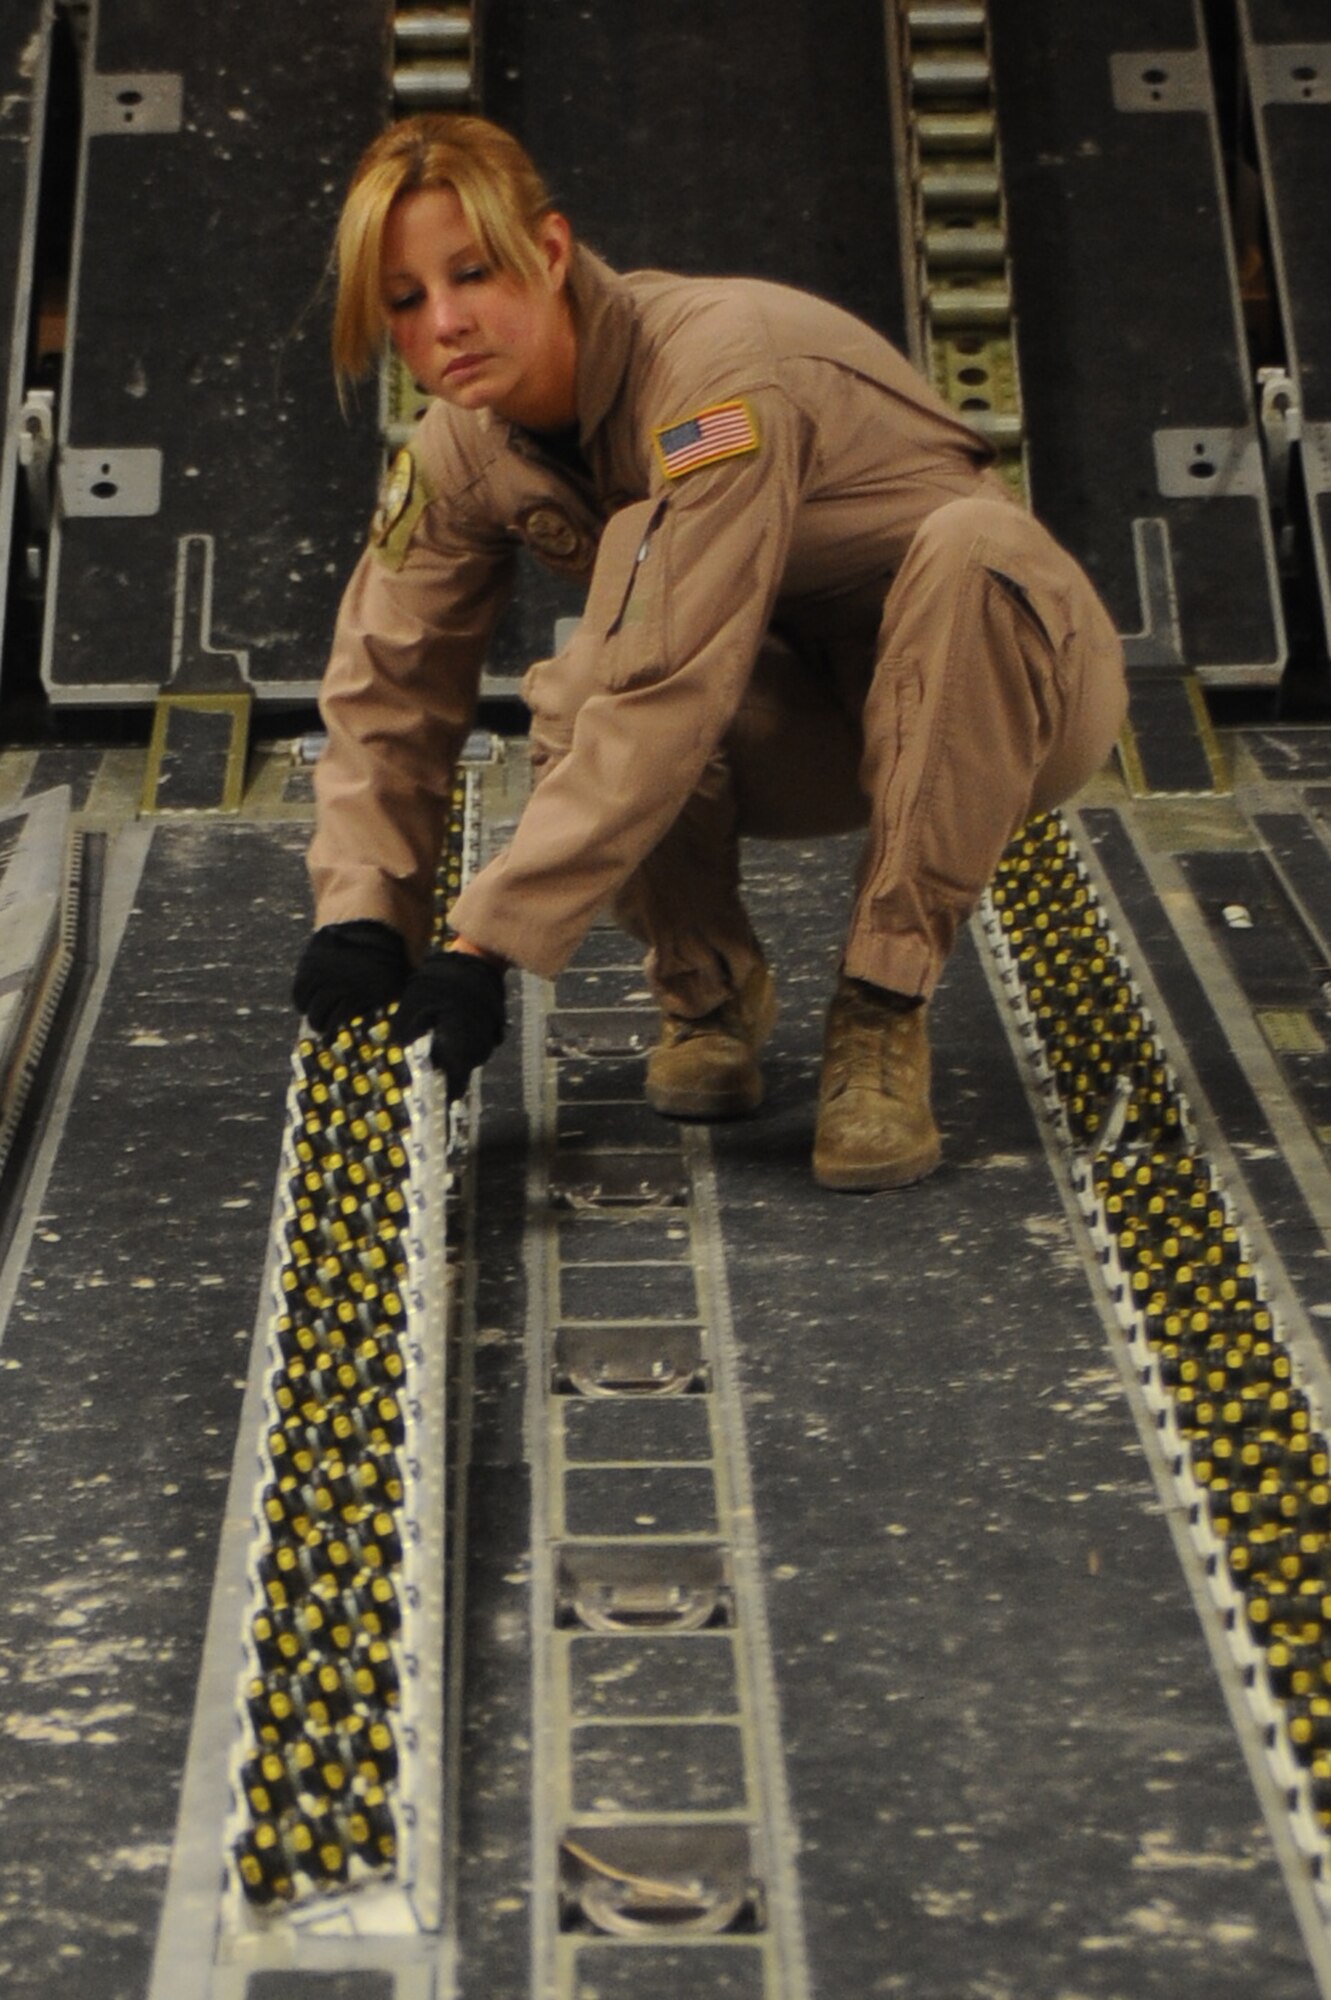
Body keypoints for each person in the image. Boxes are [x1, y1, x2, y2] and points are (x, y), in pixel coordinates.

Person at [293, 111, 1127, 1191]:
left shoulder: (718, 379)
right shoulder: (463, 445)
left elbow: (671, 682)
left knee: (967, 551)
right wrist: (363, 916)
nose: (445, 322)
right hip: (817, 719)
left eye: (473, 274)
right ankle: (707, 990)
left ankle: (882, 1009)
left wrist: (476, 946)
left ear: (548, 252)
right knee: (578, 683)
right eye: (404, 300)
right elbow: (386, 689)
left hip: (1009, 694)